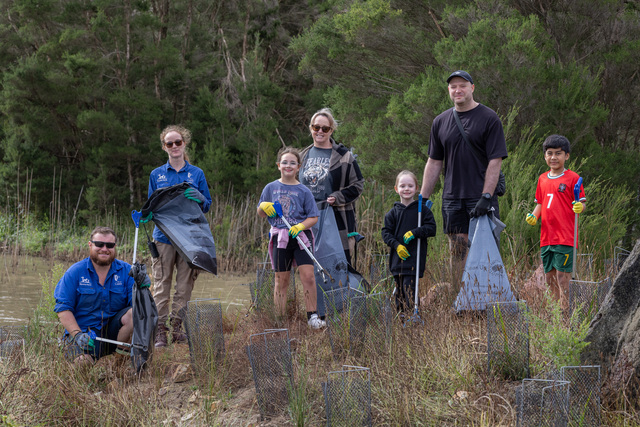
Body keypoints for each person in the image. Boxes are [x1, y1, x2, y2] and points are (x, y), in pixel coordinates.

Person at [420, 70, 508, 284]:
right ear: (449, 90)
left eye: (462, 85)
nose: (457, 90)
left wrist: (486, 196)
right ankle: (458, 294)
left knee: (485, 250)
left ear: (472, 88)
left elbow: (495, 161)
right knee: (457, 248)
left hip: (480, 196)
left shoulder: (489, 118)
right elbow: (434, 162)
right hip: (452, 198)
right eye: (453, 86)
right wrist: (422, 199)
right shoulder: (440, 121)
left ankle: (488, 296)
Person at [147, 125, 212, 347]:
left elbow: (207, 205)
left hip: (189, 238)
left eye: (178, 142)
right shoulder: (156, 174)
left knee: (185, 285)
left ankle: (177, 328)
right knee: (161, 284)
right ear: (164, 147)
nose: (174, 146)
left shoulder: (197, 174)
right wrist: (145, 215)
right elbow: (151, 206)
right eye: (170, 143)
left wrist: (200, 197)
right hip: (163, 237)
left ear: (184, 143)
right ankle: (160, 330)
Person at [258, 147, 325, 329]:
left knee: (308, 277)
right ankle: (280, 320)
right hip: (280, 239)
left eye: (292, 163)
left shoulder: (304, 191)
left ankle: (312, 317)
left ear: (298, 167)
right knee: (281, 280)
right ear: (278, 165)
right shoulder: (270, 188)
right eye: (285, 162)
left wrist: (300, 226)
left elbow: (313, 217)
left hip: (301, 238)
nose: (288, 165)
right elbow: (261, 213)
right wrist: (264, 206)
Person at [54, 226, 136, 365]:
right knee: (82, 363)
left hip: (115, 333)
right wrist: (77, 334)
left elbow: (139, 308)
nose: (104, 249)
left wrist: (142, 286)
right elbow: (63, 309)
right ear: (90, 245)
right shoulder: (75, 272)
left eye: (109, 245)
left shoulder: (128, 271)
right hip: (85, 334)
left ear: (115, 247)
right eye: (99, 244)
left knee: (134, 313)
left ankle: (119, 363)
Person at [526, 134, 585, 309]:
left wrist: (580, 207)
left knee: (563, 277)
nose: (553, 157)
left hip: (565, 237)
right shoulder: (542, 179)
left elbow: (582, 202)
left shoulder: (573, 178)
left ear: (566, 156)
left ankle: (566, 313)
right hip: (547, 237)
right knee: (549, 277)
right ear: (545, 156)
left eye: (558, 153)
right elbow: (540, 203)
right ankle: (555, 314)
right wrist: (534, 216)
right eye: (549, 153)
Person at [299, 108, 364, 266]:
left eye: (325, 128)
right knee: (309, 266)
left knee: (338, 266)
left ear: (331, 130)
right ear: (311, 128)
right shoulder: (302, 155)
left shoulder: (343, 156)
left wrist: (338, 197)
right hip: (307, 218)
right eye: (316, 127)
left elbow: (358, 184)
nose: (320, 131)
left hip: (336, 219)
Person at [382, 171, 437, 314]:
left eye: (410, 186)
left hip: (414, 259)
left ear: (416, 188)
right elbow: (386, 233)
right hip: (397, 260)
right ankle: (401, 319)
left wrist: (415, 232)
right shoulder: (392, 213)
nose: (406, 189)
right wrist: (397, 245)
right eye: (402, 186)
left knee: (409, 289)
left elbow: (432, 228)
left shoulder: (422, 210)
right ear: (396, 189)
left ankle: (413, 318)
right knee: (399, 292)